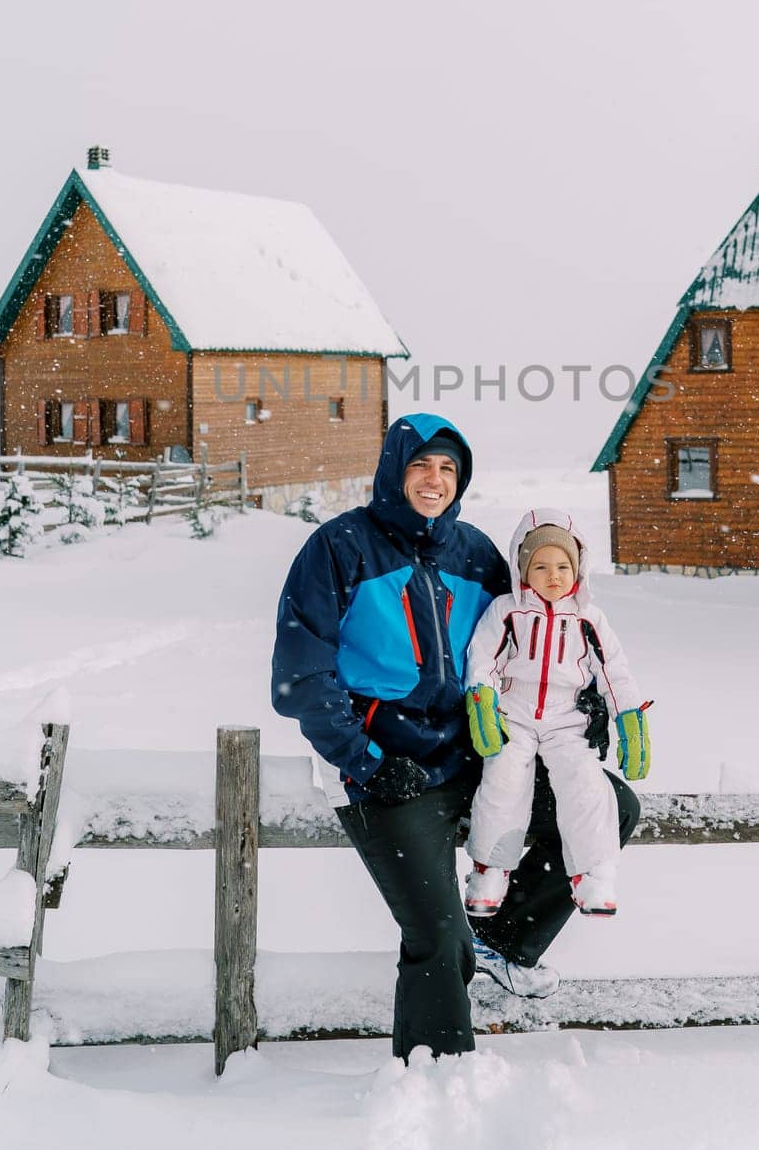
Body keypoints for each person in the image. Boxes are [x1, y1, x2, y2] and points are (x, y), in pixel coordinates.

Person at [271, 413, 640, 1061]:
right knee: (438, 937)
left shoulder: (472, 552)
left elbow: (527, 647)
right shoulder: (340, 548)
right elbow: (301, 676)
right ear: (394, 470)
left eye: (448, 468)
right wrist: (367, 760)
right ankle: (435, 1073)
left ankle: (505, 941)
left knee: (613, 805)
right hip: (390, 772)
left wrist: (585, 699)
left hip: (479, 759)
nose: (434, 479)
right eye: (421, 465)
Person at [463, 509, 651, 920]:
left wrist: (630, 721)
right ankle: (490, 869)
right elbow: (483, 661)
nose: (553, 575)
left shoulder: (589, 619)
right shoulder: (505, 610)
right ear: (523, 569)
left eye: (564, 566)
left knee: (585, 783)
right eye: (541, 566)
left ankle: (594, 873)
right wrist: (483, 704)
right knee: (504, 779)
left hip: (568, 720)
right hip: (515, 715)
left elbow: (613, 672)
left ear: (578, 568)